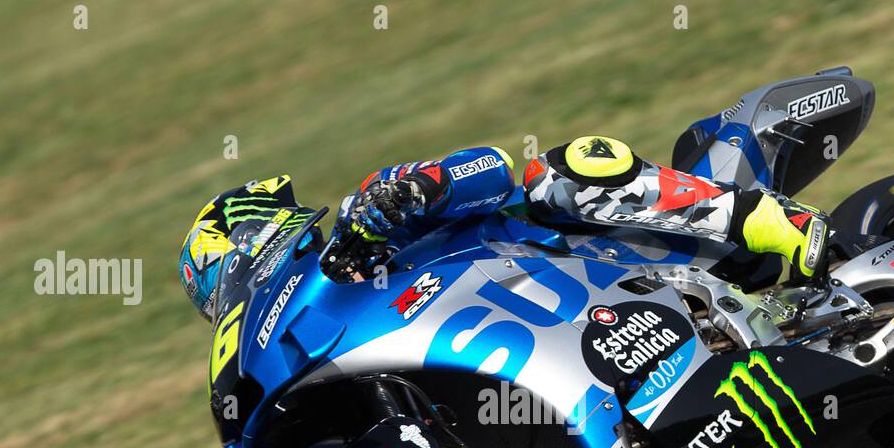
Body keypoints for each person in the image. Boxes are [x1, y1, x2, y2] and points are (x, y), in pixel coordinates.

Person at [179, 136, 830, 319]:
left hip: (590, 258)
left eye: (225, 287)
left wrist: (413, 192)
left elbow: (488, 166)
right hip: (555, 334)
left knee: (560, 171)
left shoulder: (370, 210)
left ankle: (772, 223)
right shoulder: (328, 334)